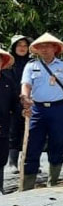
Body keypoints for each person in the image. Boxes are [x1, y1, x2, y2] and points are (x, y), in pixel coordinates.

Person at [19, 33, 63, 191]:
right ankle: (27, 187)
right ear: (37, 50)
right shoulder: (31, 66)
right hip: (37, 110)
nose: (44, 49)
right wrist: (25, 98)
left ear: (55, 48)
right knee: (32, 145)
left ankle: (53, 183)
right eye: (41, 46)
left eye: (48, 46)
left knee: (58, 145)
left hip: (59, 109)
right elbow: (26, 85)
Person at [7, 35, 31, 174]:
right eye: (19, 45)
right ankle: (12, 163)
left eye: (24, 45)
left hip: (29, 102)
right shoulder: (8, 63)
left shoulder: (32, 63)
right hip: (12, 103)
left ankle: (29, 162)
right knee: (13, 132)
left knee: (30, 132)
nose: (22, 48)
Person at [0, 48, 16, 194]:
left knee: (1, 158)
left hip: (3, 125)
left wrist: (23, 107)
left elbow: (14, 103)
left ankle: (0, 187)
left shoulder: (7, 81)